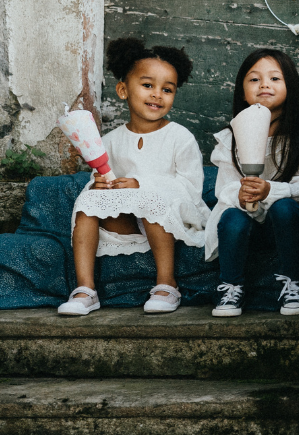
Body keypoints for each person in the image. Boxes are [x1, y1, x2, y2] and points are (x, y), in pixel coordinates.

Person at [58, 38, 208, 316]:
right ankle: (85, 289)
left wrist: (143, 185)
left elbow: (191, 190)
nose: (157, 95)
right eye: (148, 85)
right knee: (88, 200)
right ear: (123, 90)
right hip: (128, 223)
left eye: (167, 89)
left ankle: (166, 284)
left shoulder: (180, 137)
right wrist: (100, 185)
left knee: (149, 199)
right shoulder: (111, 141)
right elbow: (102, 178)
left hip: (171, 219)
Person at [205, 49, 299, 317]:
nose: (264, 84)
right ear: (242, 91)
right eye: (254, 79)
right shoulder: (231, 139)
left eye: (275, 78)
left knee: (283, 207)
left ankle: (293, 284)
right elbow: (223, 190)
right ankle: (230, 286)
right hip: (246, 220)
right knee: (230, 218)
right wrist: (241, 195)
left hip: (285, 224)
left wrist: (271, 191)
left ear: (291, 87)